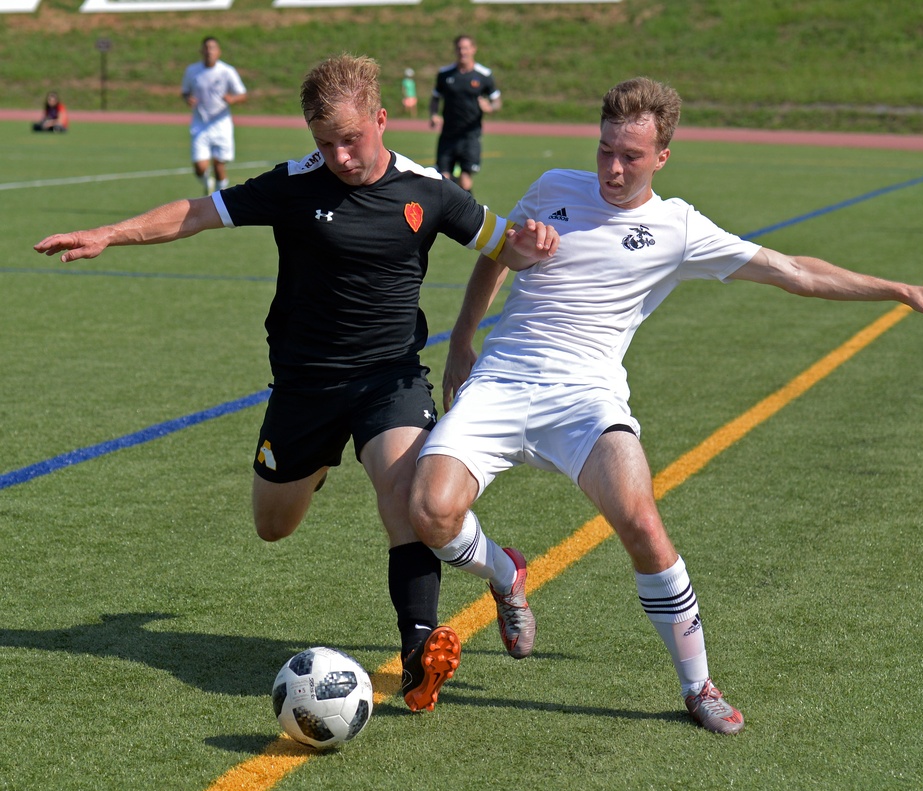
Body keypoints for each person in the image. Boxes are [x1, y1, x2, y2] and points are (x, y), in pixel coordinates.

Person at [408, 76, 923, 734]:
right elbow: (499, 254)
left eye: (631, 157)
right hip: (503, 379)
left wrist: (897, 289)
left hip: (585, 396)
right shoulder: (555, 188)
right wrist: (463, 341)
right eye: (605, 150)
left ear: (663, 156)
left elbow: (794, 271)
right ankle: (505, 572)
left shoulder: (677, 229)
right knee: (430, 511)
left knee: (643, 525)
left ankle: (697, 684)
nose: (613, 168)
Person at [35, 53, 558, 715]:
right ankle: (313, 468)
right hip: (304, 389)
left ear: (381, 119)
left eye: (352, 139)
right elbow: (197, 212)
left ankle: (422, 646)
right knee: (272, 526)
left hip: (388, 379)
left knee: (407, 500)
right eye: (325, 143)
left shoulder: (429, 191)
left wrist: (495, 294)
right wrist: (109, 233)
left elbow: (501, 247)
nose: (340, 155)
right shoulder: (294, 185)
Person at [428, 34, 501, 194]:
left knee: (465, 180)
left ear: (473, 49)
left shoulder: (484, 75)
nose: (463, 51)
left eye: (466, 48)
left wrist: (490, 107)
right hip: (448, 135)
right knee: (444, 180)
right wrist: (433, 114)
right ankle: (446, 217)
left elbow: (496, 101)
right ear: (455, 50)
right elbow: (435, 97)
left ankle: (467, 216)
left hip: (470, 136)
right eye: (460, 48)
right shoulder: (445, 74)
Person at [181, 36, 247, 195]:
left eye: (213, 48)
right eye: (206, 48)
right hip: (200, 124)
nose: (209, 51)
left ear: (219, 52)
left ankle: (219, 196)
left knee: (219, 165)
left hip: (221, 124)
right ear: (201, 51)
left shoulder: (227, 71)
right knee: (200, 167)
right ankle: (207, 183)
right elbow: (185, 92)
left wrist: (233, 98)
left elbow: (242, 94)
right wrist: (188, 99)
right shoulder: (192, 71)